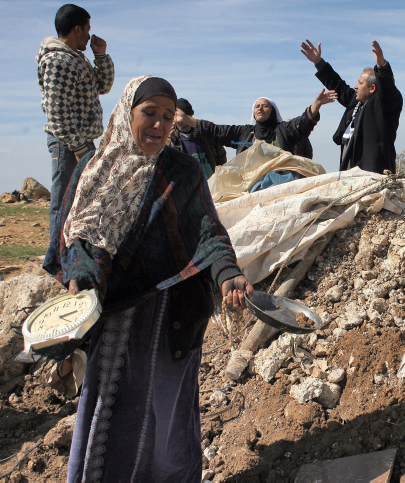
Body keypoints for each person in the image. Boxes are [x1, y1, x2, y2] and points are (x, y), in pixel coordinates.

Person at [43, 76, 253, 482]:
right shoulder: (95, 170)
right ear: (127, 113)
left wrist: (228, 275)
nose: (159, 125)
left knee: (167, 420)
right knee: (112, 414)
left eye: (168, 116)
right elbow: (78, 239)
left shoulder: (182, 171)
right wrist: (80, 284)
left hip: (171, 318)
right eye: (149, 113)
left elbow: (207, 232)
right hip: (115, 320)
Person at [36, 4, 114, 242]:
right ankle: (57, 259)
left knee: (85, 199)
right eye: (88, 29)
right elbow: (56, 112)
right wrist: (80, 148)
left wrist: (100, 55)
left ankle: (74, 251)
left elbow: (103, 86)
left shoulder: (76, 59)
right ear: (77, 29)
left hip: (80, 141)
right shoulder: (58, 60)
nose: (90, 34)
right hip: (67, 143)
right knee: (64, 201)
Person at [300, 39, 403, 174]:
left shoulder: (385, 106)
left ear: (372, 88)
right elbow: (338, 86)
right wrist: (318, 62)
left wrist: (382, 67)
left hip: (374, 174)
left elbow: (388, 89)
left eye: (360, 83)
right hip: (349, 172)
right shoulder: (356, 102)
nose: (355, 86)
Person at [174, 92, 336, 160]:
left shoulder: (284, 130)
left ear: (272, 111)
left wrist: (316, 105)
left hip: (281, 183)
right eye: (257, 106)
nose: (260, 108)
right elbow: (216, 131)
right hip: (250, 186)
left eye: (265, 105)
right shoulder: (244, 132)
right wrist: (187, 120)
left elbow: (302, 123)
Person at [167, 98, 227, 178]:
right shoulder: (169, 139)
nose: (185, 123)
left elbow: (221, 158)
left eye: (187, 118)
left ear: (192, 116)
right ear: (174, 118)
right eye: (181, 119)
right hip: (188, 188)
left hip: (211, 186)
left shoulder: (206, 133)